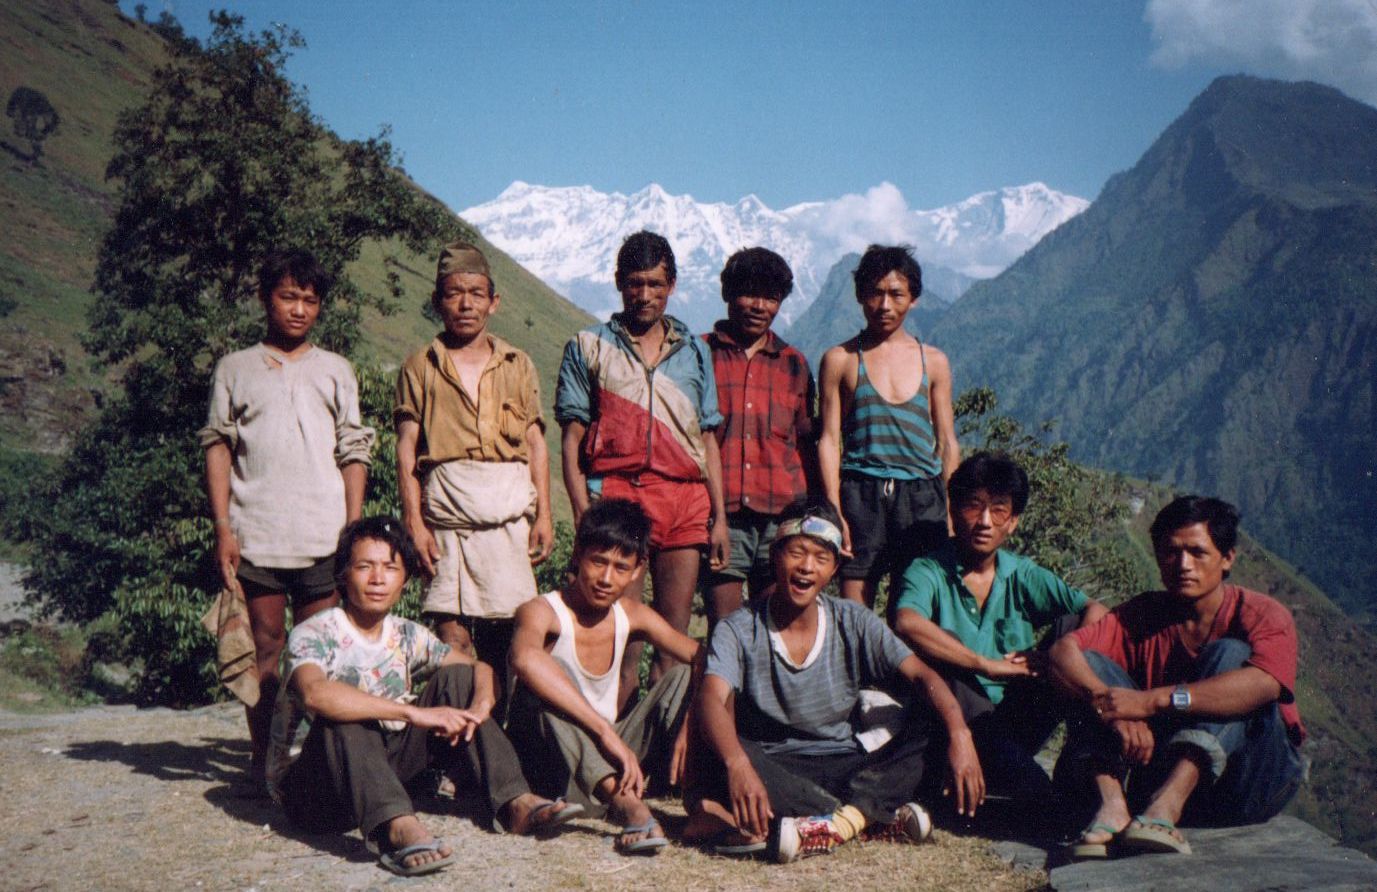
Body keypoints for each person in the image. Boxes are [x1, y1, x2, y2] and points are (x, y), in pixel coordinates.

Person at [266, 517, 582, 878]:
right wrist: (414, 714)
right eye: (364, 566)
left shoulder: (405, 634)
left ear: (404, 579)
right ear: (343, 574)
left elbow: (479, 669)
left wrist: (480, 705)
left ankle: (515, 801)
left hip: (379, 769)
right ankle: (398, 826)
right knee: (345, 712)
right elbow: (315, 694)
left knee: (458, 676)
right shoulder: (314, 632)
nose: (377, 579)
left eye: (390, 567)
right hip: (316, 790)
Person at [683, 499, 985, 863]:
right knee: (724, 747)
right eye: (796, 552)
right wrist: (737, 764)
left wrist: (959, 733)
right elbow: (714, 698)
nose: (806, 568)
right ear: (774, 555)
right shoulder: (739, 627)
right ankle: (870, 815)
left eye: (821, 558)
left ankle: (841, 820)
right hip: (776, 765)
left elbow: (922, 674)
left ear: (834, 568)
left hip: (849, 763)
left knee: (935, 718)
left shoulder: (852, 619)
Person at [200, 249, 374, 785]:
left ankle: (323, 763)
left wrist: (352, 528)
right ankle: (266, 758)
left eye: (310, 300)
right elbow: (218, 448)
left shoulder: (335, 370)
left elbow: (354, 451)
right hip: (258, 535)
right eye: (288, 296)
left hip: (324, 536)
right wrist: (224, 527)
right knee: (268, 647)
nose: (299, 309)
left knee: (320, 650)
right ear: (265, 298)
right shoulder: (235, 368)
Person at [1050, 496, 1305, 858]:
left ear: (1227, 558)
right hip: (1156, 773)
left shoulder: (1262, 614)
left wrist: (1152, 700)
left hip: (1249, 783)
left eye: (1198, 552)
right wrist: (1108, 704)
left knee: (1231, 656)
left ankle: (1167, 806)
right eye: (1171, 552)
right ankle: (1111, 806)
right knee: (1090, 666)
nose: (1183, 565)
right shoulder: (1144, 614)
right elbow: (1063, 653)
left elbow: (1264, 683)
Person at [555, 230, 729, 699]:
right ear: (618, 283)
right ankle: (614, 756)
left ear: (671, 284)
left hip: (686, 500)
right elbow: (570, 439)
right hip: (618, 494)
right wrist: (581, 509)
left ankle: (660, 760)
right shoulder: (588, 346)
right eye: (635, 283)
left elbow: (707, 437)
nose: (645, 295)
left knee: (671, 639)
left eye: (655, 283)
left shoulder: (693, 350)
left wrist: (720, 518)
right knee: (621, 640)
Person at [892, 452, 1107, 812]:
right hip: (955, 714)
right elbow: (906, 621)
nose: (985, 522)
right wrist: (984, 665)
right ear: (954, 510)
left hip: (1017, 714)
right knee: (945, 652)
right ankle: (1032, 786)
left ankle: (1079, 764)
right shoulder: (929, 569)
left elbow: (1095, 610)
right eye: (974, 507)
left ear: (1014, 522)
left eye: (999, 510)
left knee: (1073, 629)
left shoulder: (1020, 574)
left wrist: (1057, 657)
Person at [394, 241, 553, 699]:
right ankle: (455, 755)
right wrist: (414, 522)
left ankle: (497, 748)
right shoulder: (419, 366)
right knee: (453, 641)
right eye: (454, 293)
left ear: (494, 301)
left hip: (507, 523)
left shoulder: (517, 364)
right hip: (447, 526)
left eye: (477, 293)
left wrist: (542, 515)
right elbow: (407, 448)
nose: (466, 304)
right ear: (437, 301)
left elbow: (535, 444)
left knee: (511, 640)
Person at [507, 499, 703, 856]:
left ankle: (702, 795)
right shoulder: (541, 611)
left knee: (681, 679)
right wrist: (603, 731)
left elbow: (704, 657)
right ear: (578, 554)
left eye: (620, 567)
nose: (606, 578)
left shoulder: (631, 613)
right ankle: (628, 806)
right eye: (598, 561)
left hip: (612, 763)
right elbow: (523, 658)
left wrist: (690, 720)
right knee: (551, 675)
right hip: (554, 771)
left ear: (637, 570)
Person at [817, 244, 959, 611]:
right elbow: (830, 440)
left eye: (896, 294)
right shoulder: (841, 360)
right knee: (854, 613)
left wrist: (953, 508)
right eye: (875, 293)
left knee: (913, 611)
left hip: (922, 498)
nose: (884, 305)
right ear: (860, 295)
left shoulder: (935, 362)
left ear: (913, 299)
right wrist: (834, 507)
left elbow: (946, 442)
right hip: (861, 493)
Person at [702, 247, 817, 629]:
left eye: (770, 297)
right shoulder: (700, 354)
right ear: (728, 294)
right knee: (725, 629)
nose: (758, 305)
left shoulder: (794, 364)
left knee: (777, 630)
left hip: (782, 520)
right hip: (724, 517)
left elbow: (805, 443)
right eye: (748, 292)